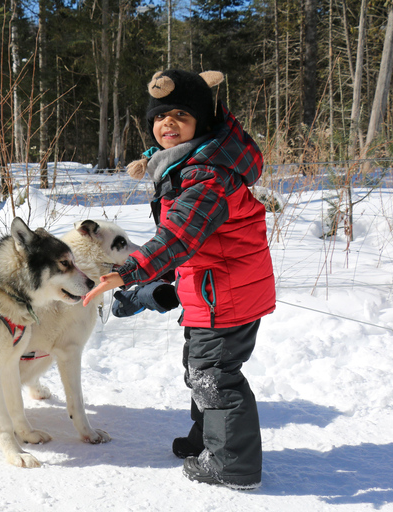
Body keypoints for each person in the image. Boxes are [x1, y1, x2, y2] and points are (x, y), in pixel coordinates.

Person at [83, 69, 276, 490]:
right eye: (160, 117)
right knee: (200, 369)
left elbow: (181, 235)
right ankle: (209, 440)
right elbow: (185, 241)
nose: (167, 124)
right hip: (211, 286)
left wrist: (125, 271)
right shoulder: (187, 163)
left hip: (225, 293)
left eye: (180, 115)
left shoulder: (208, 174)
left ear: (202, 123)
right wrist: (150, 286)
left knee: (215, 374)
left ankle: (231, 465)